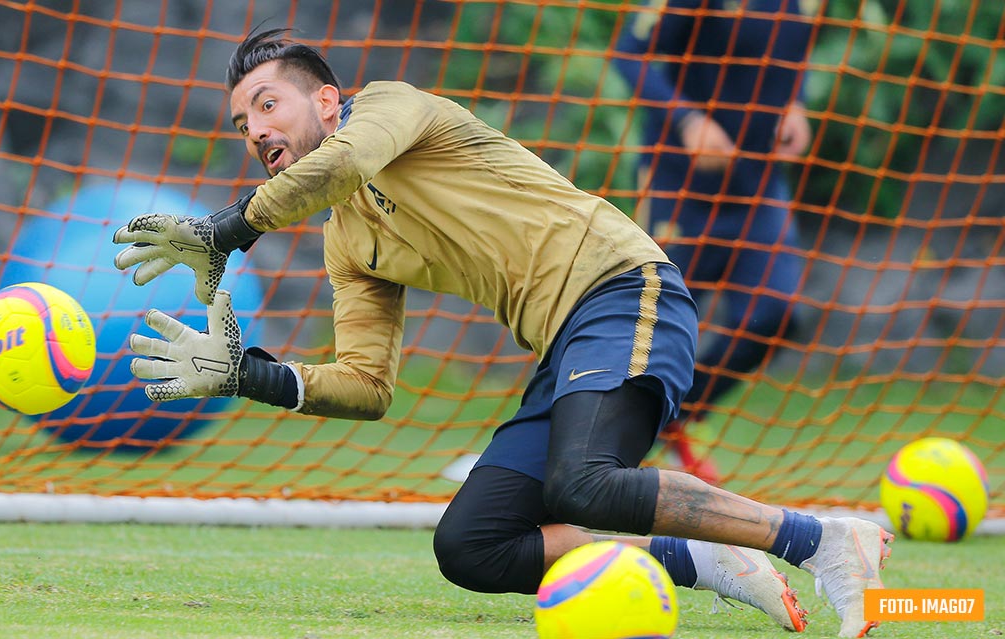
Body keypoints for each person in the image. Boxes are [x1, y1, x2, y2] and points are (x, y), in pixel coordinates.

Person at [111, 28, 891, 637]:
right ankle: (704, 557)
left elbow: (343, 165)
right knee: (474, 544)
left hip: (623, 284)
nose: (254, 129)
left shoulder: (390, 109)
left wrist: (226, 229)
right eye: (243, 120)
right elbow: (369, 384)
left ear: (326, 101)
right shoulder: (345, 239)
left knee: (582, 482)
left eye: (267, 104)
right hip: (567, 343)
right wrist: (249, 371)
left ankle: (819, 538)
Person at [613, 0, 817, 484]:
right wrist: (688, 120)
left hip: (758, 185)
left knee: (776, 314)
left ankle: (670, 416)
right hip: (679, 187)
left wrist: (797, 102)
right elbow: (629, 55)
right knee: (652, 328)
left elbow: (793, 50)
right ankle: (580, 441)